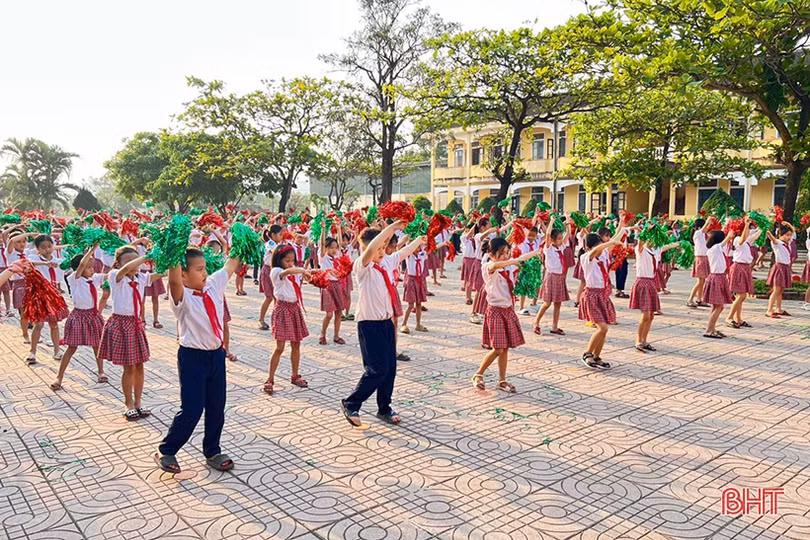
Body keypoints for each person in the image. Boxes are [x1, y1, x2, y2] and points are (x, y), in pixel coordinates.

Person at [154, 245, 242, 474]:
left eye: (205, 268)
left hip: (216, 356)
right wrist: (173, 250)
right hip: (192, 357)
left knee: (216, 406)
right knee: (192, 408)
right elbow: (173, 282)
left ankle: (212, 450)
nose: (204, 273)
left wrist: (244, 240)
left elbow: (231, 263)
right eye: (199, 269)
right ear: (184, 274)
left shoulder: (213, 284)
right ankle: (167, 449)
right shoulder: (182, 297)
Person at [340, 220, 407, 427]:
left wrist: (422, 236)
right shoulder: (362, 265)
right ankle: (351, 403)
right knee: (377, 369)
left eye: (383, 248)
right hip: (369, 324)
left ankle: (384, 407)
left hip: (386, 323)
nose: (382, 251)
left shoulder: (384, 262)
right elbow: (373, 247)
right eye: (379, 248)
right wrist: (392, 227)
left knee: (390, 369)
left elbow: (403, 251)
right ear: (366, 248)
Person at [98, 245, 162, 420]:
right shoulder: (115, 276)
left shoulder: (142, 277)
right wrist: (146, 256)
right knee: (128, 366)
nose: (134, 265)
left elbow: (163, 273)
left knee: (139, 365)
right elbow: (126, 269)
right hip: (121, 324)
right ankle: (128, 403)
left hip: (136, 324)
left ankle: (139, 401)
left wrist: (171, 257)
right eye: (129, 261)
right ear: (117, 264)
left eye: (137, 260)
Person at [473, 237, 538, 392]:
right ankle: (478, 374)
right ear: (491, 254)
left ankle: (502, 380)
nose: (506, 256)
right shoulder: (488, 267)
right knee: (497, 349)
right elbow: (497, 265)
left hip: (508, 311)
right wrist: (511, 262)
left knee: (506, 348)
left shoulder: (507, 267)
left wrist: (536, 252)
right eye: (502, 253)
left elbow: (520, 259)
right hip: (495, 311)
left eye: (508, 252)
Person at [51, 247, 107, 390]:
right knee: (71, 347)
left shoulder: (93, 279)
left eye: (92, 267)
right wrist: (91, 249)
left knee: (97, 346)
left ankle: (101, 372)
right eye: (88, 267)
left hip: (93, 316)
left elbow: (108, 275)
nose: (91, 270)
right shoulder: (74, 278)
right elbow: (81, 265)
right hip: (78, 316)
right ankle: (59, 377)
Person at [263, 244, 311, 394]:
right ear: (279, 260)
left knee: (296, 345)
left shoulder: (294, 271)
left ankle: (295, 375)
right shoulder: (276, 271)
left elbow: (296, 274)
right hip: (283, 309)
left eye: (293, 260)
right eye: (287, 260)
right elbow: (288, 272)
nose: (291, 263)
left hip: (294, 308)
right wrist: (302, 270)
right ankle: (270, 378)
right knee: (280, 347)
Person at [578, 231, 623, 369]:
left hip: (602, 295)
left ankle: (597, 356)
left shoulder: (602, 255)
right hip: (591, 296)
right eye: (598, 247)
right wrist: (611, 243)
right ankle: (587, 354)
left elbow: (610, 243)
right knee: (602, 327)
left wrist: (623, 227)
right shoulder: (586, 257)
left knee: (604, 330)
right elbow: (599, 249)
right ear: (587, 248)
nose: (601, 249)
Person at [629, 235, 680, 352]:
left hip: (651, 283)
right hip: (642, 282)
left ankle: (644, 340)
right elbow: (641, 241)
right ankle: (638, 340)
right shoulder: (640, 250)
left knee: (651, 315)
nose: (653, 241)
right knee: (645, 314)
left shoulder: (655, 250)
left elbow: (666, 247)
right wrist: (646, 230)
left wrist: (679, 243)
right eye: (651, 238)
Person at [27, 234, 69, 363]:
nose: (47, 250)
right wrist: (46, 263)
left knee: (54, 324)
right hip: (39, 295)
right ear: (38, 248)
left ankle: (57, 351)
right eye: (43, 247)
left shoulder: (58, 260)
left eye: (50, 246)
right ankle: (32, 351)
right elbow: (29, 262)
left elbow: (70, 266)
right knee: (38, 324)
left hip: (54, 295)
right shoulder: (34, 258)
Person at [533, 217, 571, 336]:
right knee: (547, 303)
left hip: (560, 277)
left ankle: (554, 326)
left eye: (561, 238)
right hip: (551, 276)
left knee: (558, 303)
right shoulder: (548, 249)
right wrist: (552, 222)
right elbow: (548, 234)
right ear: (553, 240)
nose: (561, 240)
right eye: (559, 238)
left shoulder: (560, 247)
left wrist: (568, 221)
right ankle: (536, 323)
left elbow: (568, 234)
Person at [726, 218, 759, 328]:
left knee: (741, 296)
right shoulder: (737, 239)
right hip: (739, 267)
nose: (749, 231)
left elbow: (753, 237)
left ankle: (738, 318)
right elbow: (743, 239)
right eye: (748, 229)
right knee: (741, 295)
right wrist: (746, 225)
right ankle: (730, 317)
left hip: (745, 268)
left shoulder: (746, 242)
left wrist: (763, 228)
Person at [702, 229, 735, 338]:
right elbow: (723, 243)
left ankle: (712, 328)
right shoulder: (715, 248)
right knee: (719, 306)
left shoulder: (718, 249)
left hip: (720, 278)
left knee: (716, 306)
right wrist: (729, 236)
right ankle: (709, 330)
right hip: (717, 278)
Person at [318, 233, 348, 345]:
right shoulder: (323, 258)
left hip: (338, 285)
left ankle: (336, 335)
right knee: (329, 314)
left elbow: (340, 243)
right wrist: (323, 228)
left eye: (335, 248)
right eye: (331, 248)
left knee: (339, 312)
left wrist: (339, 228)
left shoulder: (337, 257)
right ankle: (322, 334)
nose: (334, 250)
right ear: (326, 248)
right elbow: (321, 244)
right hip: (327, 285)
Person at [765, 221, 796, 318]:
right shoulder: (777, 243)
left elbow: (793, 230)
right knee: (776, 289)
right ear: (780, 235)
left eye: (790, 235)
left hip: (786, 267)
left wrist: (788, 225)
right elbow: (772, 239)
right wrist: (767, 230)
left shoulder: (788, 243)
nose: (789, 237)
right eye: (787, 235)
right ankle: (769, 310)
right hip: (779, 267)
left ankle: (778, 308)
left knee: (781, 289)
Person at [258, 224, 283, 330]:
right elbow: (276, 252)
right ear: (273, 235)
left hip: (275, 271)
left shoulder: (278, 243)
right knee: (269, 297)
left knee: (276, 298)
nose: (281, 236)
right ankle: (261, 320)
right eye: (280, 234)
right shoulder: (270, 243)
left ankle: (276, 320)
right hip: (268, 271)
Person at [400, 243, 429, 334]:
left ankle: (418, 324)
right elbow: (407, 246)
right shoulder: (409, 256)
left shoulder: (422, 255)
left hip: (419, 280)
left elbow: (430, 246)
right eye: (415, 247)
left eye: (418, 247)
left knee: (419, 304)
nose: (417, 249)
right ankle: (404, 324)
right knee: (411, 305)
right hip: (411, 280)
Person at [687, 217, 714, 308]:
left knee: (703, 281)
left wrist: (710, 223)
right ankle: (690, 299)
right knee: (699, 281)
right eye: (705, 226)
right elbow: (704, 228)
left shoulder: (704, 235)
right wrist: (708, 221)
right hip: (700, 259)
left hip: (705, 258)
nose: (707, 228)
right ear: (699, 227)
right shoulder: (698, 233)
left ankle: (699, 299)